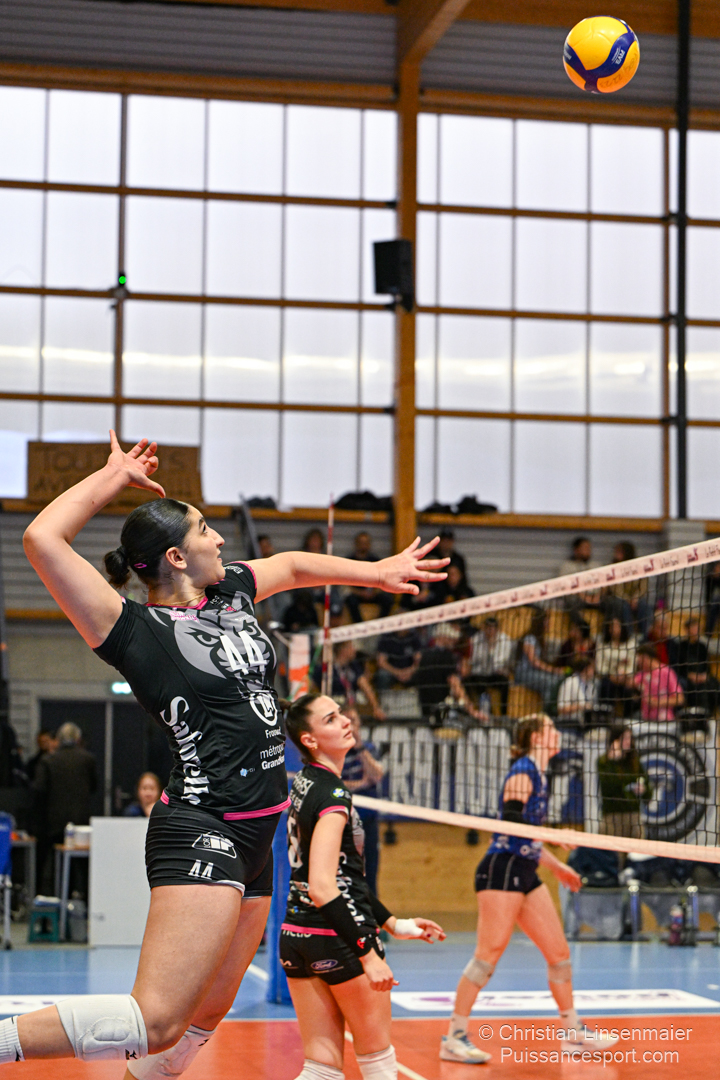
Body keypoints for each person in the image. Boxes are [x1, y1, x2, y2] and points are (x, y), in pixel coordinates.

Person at [8, 429, 448, 1074]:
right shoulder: (131, 629)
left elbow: (292, 567)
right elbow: (42, 539)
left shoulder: (231, 592)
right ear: (175, 557)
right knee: (157, 1020)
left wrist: (377, 573)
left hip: (257, 829)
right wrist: (113, 477)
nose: (218, 540)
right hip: (202, 824)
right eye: (204, 530)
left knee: (206, 1014)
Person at [281, 692, 445, 1080]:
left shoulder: (306, 782)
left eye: (341, 713)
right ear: (309, 739)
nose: (345, 721)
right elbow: (323, 886)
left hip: (297, 934)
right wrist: (368, 954)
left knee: (320, 1069)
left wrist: (393, 923)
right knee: (379, 1066)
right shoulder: (332, 794)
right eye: (331, 718)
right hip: (338, 937)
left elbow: (341, 875)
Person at [441, 713, 618, 1064]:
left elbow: (528, 839)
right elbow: (512, 822)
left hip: (524, 870)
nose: (557, 733)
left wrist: (558, 866)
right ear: (536, 737)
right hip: (502, 869)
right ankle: (454, 1036)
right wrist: (553, 836)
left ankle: (573, 1032)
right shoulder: (523, 771)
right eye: (550, 728)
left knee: (559, 954)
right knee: (487, 956)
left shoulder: (539, 773)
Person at [33, 722, 98, 894]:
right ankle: (85, 899)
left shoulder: (48, 760)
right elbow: (94, 786)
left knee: (55, 862)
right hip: (81, 821)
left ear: (59, 739)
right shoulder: (88, 759)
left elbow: (39, 789)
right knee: (83, 865)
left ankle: (55, 896)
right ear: (78, 739)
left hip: (54, 821)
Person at [341, 708, 385, 896]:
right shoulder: (336, 750)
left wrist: (359, 747)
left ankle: (370, 913)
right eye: (346, 721)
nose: (351, 725)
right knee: (345, 876)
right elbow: (334, 783)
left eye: (354, 720)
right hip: (343, 823)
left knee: (370, 876)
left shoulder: (368, 748)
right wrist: (361, 784)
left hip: (367, 822)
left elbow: (376, 775)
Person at [597, 727, 651, 839]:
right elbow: (609, 787)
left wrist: (643, 789)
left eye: (630, 738)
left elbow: (648, 790)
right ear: (615, 740)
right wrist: (614, 761)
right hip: (612, 817)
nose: (628, 741)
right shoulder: (604, 762)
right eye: (625, 738)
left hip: (634, 817)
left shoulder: (634, 761)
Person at [312, 640, 386, 722]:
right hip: (333, 708)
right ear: (343, 649)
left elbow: (365, 685)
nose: (354, 649)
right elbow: (312, 687)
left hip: (350, 707)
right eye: (351, 647)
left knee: (354, 715)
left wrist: (375, 707)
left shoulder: (353, 666)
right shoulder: (326, 669)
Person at [513, 609, 565, 713]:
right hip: (524, 673)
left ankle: (551, 710)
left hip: (533, 673)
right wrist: (553, 670)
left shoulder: (539, 639)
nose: (548, 624)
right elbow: (533, 661)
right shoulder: (530, 638)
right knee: (549, 682)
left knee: (557, 679)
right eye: (546, 620)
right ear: (540, 622)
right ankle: (547, 713)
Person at [462, 616, 513, 717]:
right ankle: (478, 712)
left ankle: (504, 715)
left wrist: (491, 648)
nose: (490, 631)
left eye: (492, 628)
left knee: (505, 682)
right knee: (468, 681)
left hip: (496, 674)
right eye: (488, 628)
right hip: (480, 674)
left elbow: (502, 661)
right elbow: (474, 660)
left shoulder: (505, 640)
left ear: (497, 629)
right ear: (484, 628)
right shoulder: (476, 639)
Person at [672, 616, 720, 718]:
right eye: (693, 628)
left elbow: (706, 666)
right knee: (699, 690)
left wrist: (705, 676)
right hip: (688, 677)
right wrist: (691, 676)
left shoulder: (702, 646)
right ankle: (700, 716)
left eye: (697, 628)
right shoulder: (681, 646)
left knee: (714, 684)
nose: (695, 630)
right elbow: (678, 667)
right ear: (687, 629)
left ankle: (711, 714)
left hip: (702, 676)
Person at [345, 532, 395, 623]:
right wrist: (360, 593)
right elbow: (344, 585)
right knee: (350, 601)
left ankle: (379, 624)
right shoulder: (349, 561)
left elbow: (383, 579)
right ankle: (360, 625)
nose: (363, 546)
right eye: (361, 543)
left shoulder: (375, 560)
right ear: (356, 544)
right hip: (356, 594)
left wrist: (374, 591)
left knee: (388, 599)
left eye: (366, 543)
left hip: (373, 593)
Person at [595, 616, 638, 717]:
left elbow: (632, 663)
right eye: (611, 626)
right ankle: (605, 716)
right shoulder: (602, 644)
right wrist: (610, 675)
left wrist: (625, 675)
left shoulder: (631, 643)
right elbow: (599, 664)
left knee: (629, 690)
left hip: (626, 678)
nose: (614, 629)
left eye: (616, 626)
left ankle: (628, 717)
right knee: (606, 687)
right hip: (608, 677)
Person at [631, 643, 684, 722]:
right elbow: (630, 683)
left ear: (646, 658)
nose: (639, 663)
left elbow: (680, 699)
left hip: (664, 720)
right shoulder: (642, 674)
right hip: (646, 720)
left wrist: (657, 702)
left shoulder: (666, 672)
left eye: (640, 660)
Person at [556, 657, 599, 730]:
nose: (594, 671)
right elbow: (561, 709)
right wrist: (580, 706)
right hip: (568, 725)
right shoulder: (569, 683)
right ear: (585, 669)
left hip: (585, 725)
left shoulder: (592, 686)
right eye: (591, 668)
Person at [374, 627, 422, 692]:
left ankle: (422, 696)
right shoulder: (386, 637)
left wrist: (409, 671)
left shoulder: (414, 636)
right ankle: (382, 697)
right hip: (391, 671)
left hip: (409, 671)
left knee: (424, 672)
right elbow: (381, 662)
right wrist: (397, 673)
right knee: (382, 675)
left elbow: (419, 660)